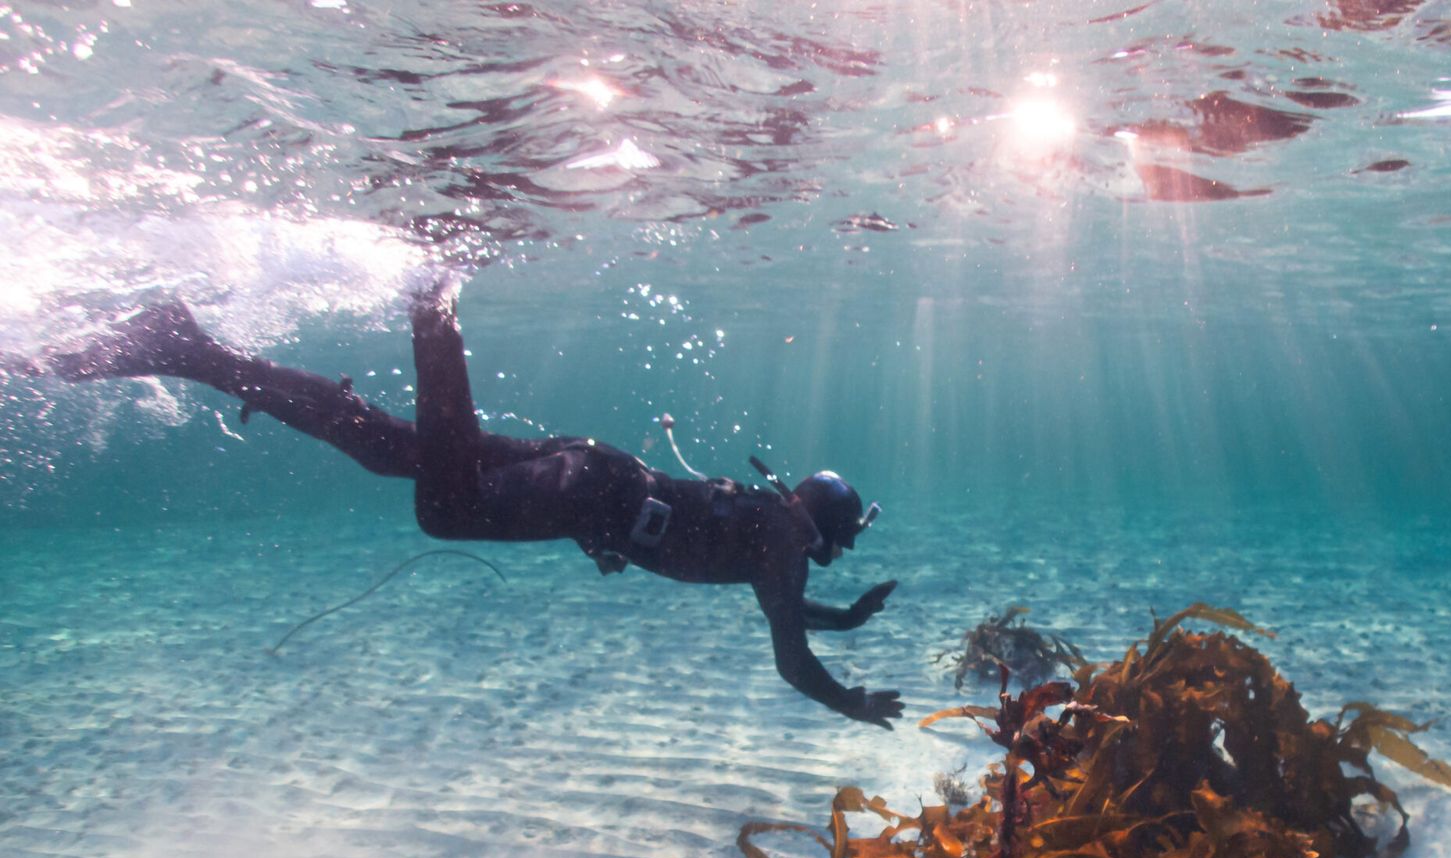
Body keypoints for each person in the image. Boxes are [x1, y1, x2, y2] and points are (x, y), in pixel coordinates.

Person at [47, 289, 903, 726]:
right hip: (594, 489)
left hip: (597, 469)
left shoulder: (771, 538)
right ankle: (432, 301)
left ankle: (190, 347)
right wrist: (853, 703)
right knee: (446, 510)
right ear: (824, 529)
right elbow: (789, 659)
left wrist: (848, 623)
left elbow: (786, 611)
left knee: (391, 450)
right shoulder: (781, 550)